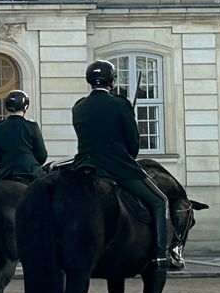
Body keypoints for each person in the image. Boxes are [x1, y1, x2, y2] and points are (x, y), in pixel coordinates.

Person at [74, 60, 173, 264]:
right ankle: (161, 254)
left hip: (86, 167)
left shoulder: (79, 106)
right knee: (160, 201)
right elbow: (132, 143)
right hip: (117, 167)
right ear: (112, 81)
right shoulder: (120, 104)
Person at [0, 90, 48, 184]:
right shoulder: (32, 126)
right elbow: (42, 155)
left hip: (5, 174)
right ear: (25, 107)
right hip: (31, 173)